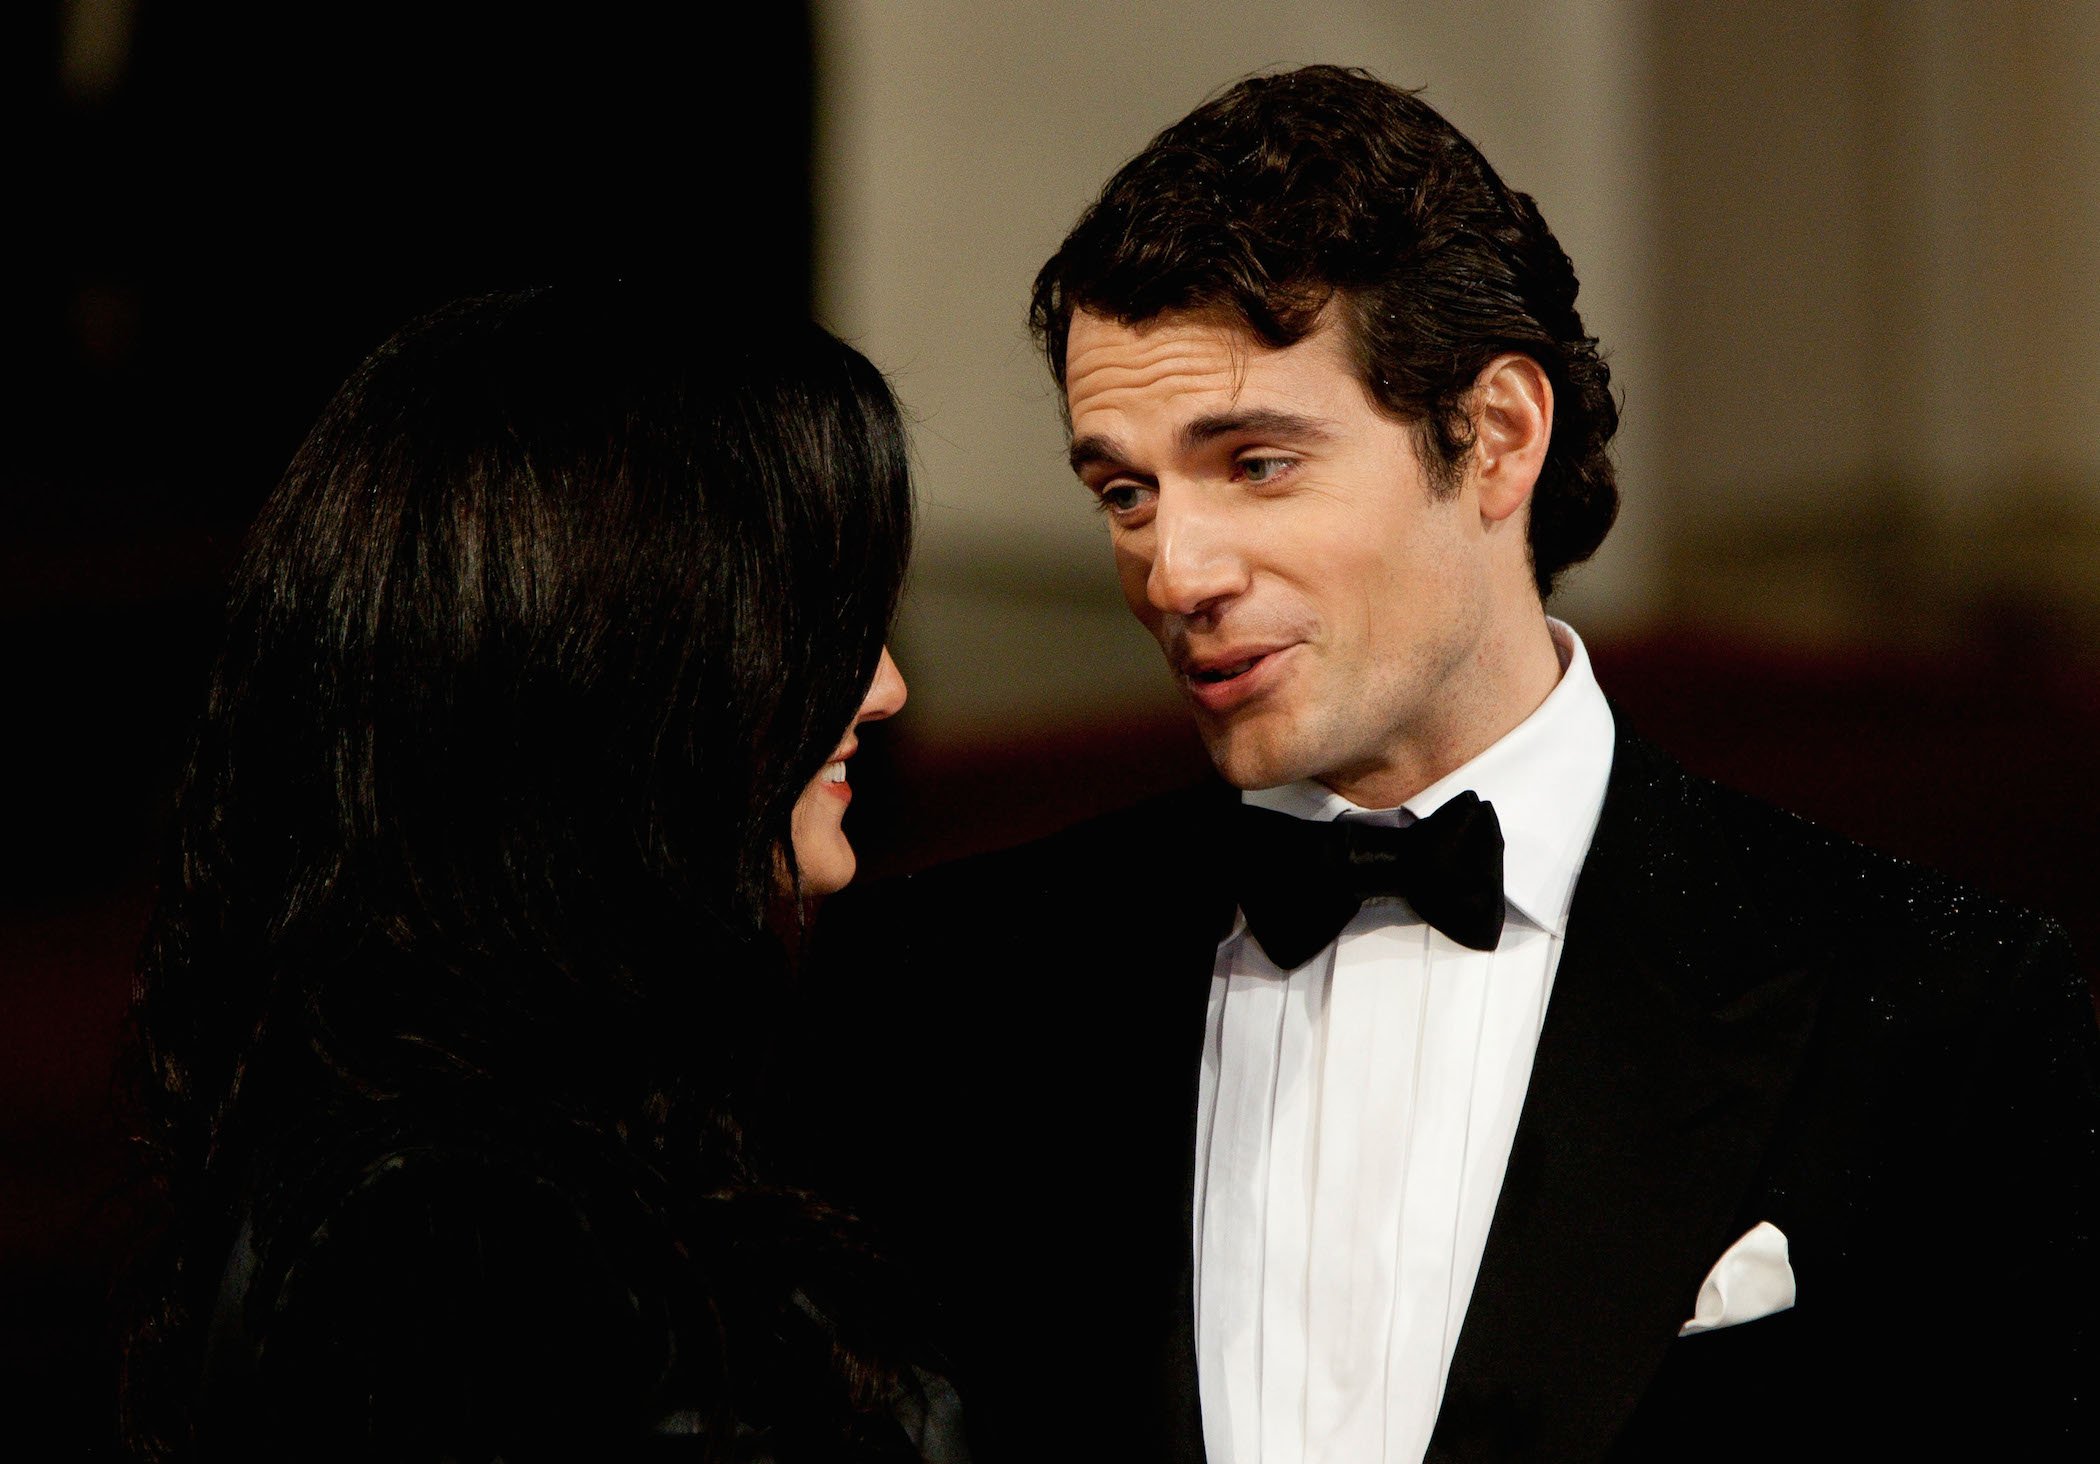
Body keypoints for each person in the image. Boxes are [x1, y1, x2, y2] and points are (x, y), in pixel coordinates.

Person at [796, 67, 2100, 1461]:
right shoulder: (948, 986)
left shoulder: (1935, 1008)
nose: (1173, 571)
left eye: (1256, 465)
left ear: (1495, 438)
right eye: (1125, 491)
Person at [120, 287, 967, 1461]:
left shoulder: (542, 1113)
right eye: (819, 618)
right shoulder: (455, 1226)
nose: (885, 688)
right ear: (633, 663)